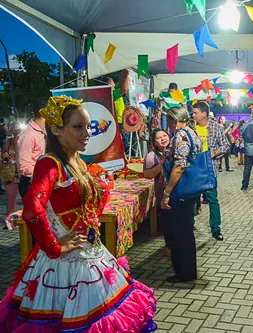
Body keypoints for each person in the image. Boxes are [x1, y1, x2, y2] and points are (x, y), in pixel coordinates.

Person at [0, 96, 157, 332]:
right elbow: (32, 208)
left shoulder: (76, 160)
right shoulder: (50, 163)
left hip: (89, 251)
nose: (87, 133)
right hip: (67, 262)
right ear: (56, 130)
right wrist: (54, 246)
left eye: (87, 126)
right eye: (77, 127)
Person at [161, 107, 203, 283]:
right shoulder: (193, 133)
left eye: (169, 122)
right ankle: (187, 271)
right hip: (191, 189)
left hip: (181, 190)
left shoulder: (181, 135)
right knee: (186, 231)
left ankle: (184, 273)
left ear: (173, 121)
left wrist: (167, 192)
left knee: (181, 233)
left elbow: (179, 166)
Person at [192, 102, 229, 241]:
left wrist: (214, 153)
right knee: (191, 199)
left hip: (209, 169)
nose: (193, 115)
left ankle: (215, 228)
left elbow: (226, 145)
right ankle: (190, 225)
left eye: (195, 112)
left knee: (212, 199)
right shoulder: (191, 128)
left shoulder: (216, 128)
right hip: (194, 169)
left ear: (204, 114)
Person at [143, 128, 171, 256]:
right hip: (163, 193)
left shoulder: (175, 150)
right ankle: (169, 246)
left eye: (164, 135)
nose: (163, 139)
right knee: (167, 221)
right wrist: (160, 166)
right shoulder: (152, 156)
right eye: (159, 138)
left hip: (177, 192)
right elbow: (147, 174)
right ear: (154, 142)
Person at [16, 101, 47, 198]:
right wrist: (46, 173)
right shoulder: (28, 134)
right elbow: (24, 167)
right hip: (30, 183)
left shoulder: (42, 132)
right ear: (44, 113)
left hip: (40, 180)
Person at [2, 121, 22, 215]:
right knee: (11, 197)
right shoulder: (8, 141)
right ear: (10, 131)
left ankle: (28, 220)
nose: (15, 131)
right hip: (10, 172)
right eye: (13, 128)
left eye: (17, 129)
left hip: (24, 172)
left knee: (28, 197)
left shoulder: (24, 140)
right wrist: (5, 155)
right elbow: (3, 155)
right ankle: (11, 219)